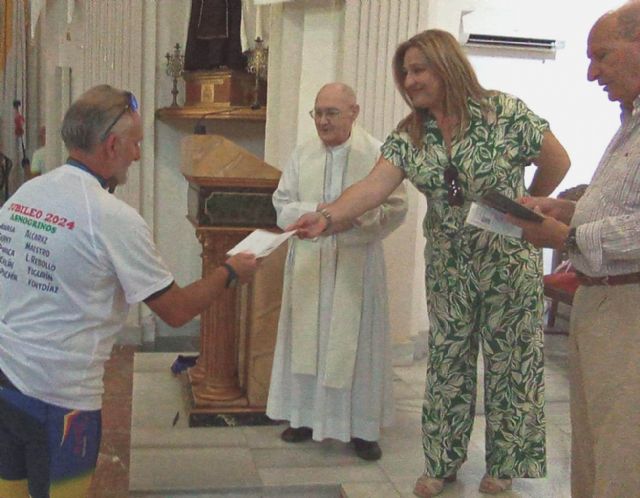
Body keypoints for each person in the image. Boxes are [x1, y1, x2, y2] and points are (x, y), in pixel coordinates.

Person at [290, 31, 571, 496]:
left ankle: (503, 466)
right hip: (449, 266)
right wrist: (325, 216)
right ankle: (442, 463)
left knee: (511, 365)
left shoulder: (505, 112)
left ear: (446, 66)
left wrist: (530, 201)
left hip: (507, 261)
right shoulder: (411, 133)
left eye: (419, 69)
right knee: (447, 364)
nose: (409, 79)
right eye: (405, 72)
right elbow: (371, 188)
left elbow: (557, 160)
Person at [0, 84, 258, 498]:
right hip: (59, 396)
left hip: (7, 381)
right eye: (135, 144)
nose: (138, 155)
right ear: (112, 145)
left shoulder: (25, 194)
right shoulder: (111, 217)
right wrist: (229, 270)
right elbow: (175, 311)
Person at [508, 3, 640, 496]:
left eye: (601, 56)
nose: (591, 73)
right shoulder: (629, 121)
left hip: (631, 307)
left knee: (624, 450)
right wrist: (567, 211)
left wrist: (566, 238)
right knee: (591, 443)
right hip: (598, 297)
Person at [266, 83, 408, 461]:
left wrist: (351, 220)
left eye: (332, 112)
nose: (323, 121)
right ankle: (304, 417)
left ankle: (361, 429)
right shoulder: (302, 154)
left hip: (355, 267)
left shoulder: (377, 154)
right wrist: (322, 212)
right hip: (311, 263)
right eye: (318, 113)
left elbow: (396, 207)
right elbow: (281, 205)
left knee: (355, 347)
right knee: (306, 341)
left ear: (354, 112)